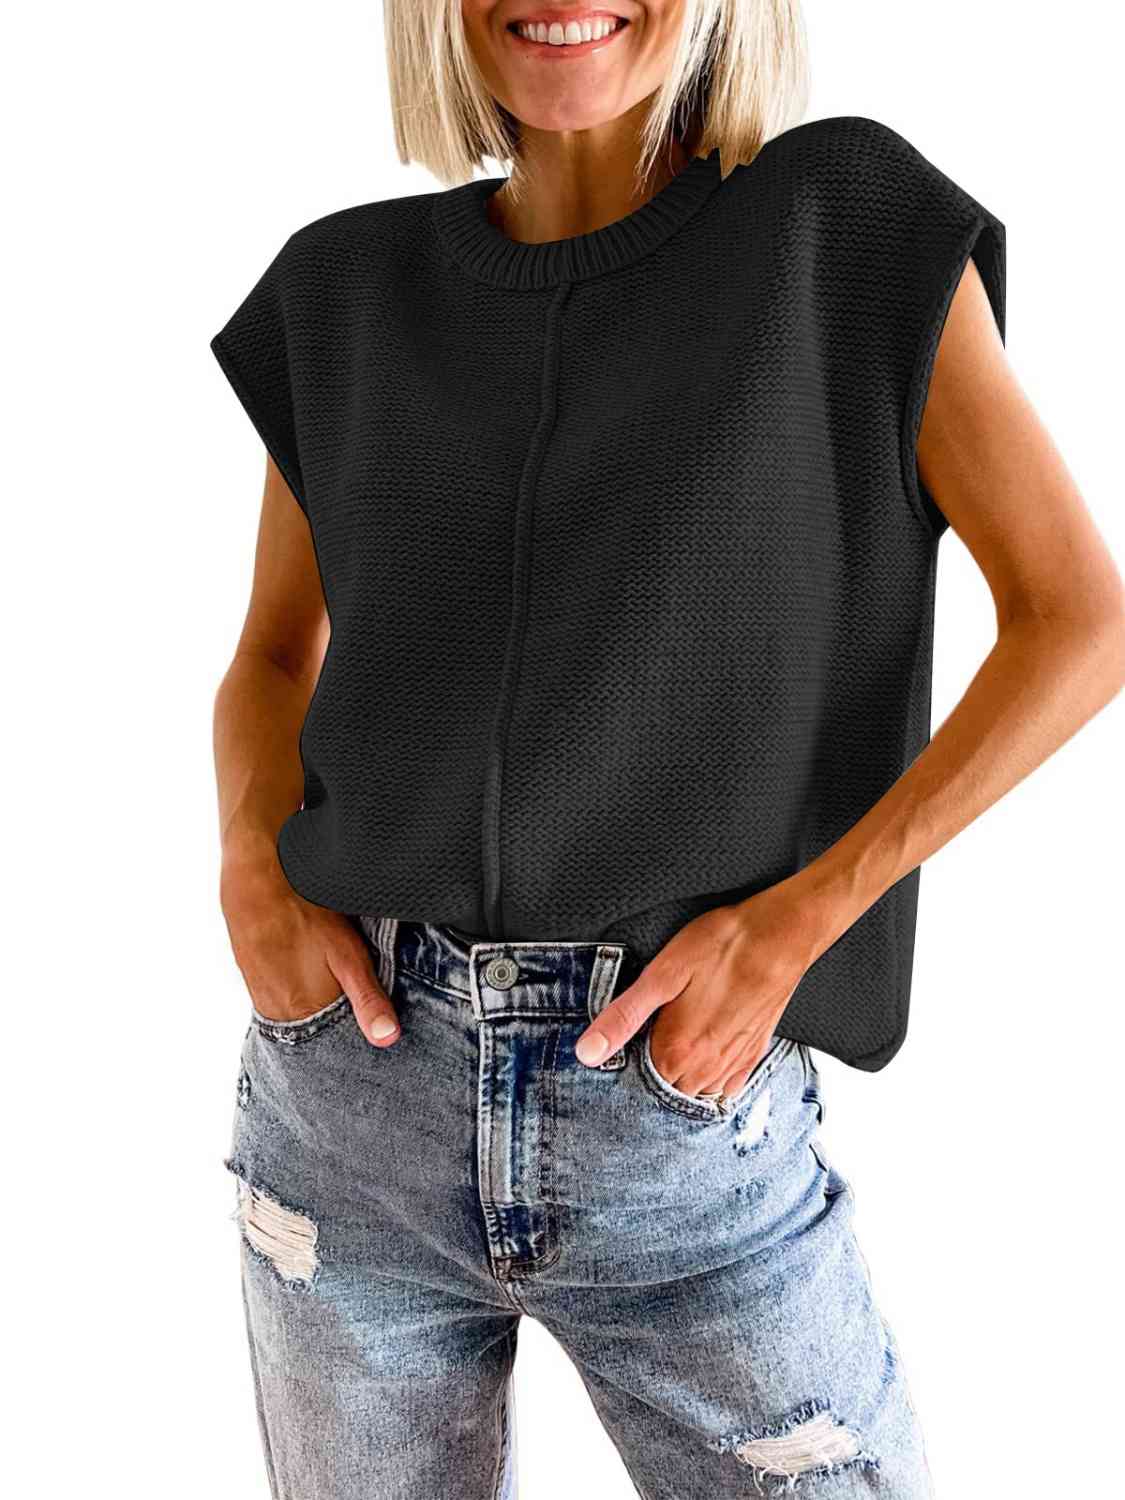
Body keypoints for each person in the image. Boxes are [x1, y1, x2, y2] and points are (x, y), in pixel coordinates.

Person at [210, 4, 1124, 1496]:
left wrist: (798, 923)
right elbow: (269, 655)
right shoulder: (345, 290)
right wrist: (252, 865)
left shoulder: (842, 225)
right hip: (346, 1105)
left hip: (674, 1112)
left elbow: (1079, 620)